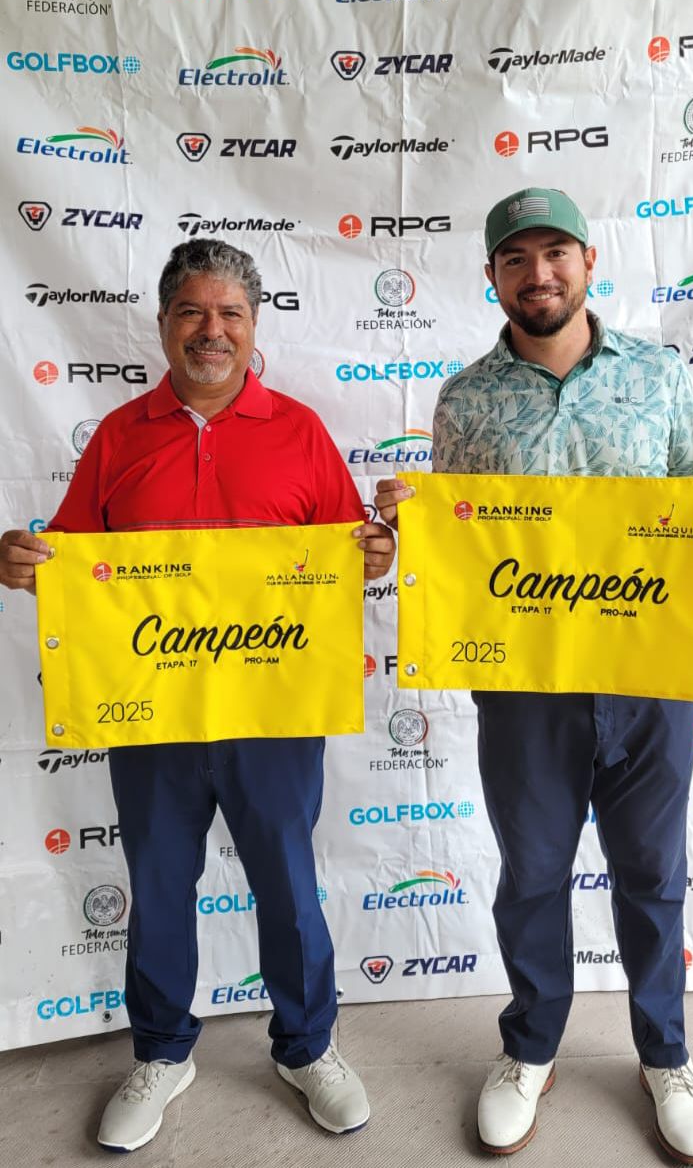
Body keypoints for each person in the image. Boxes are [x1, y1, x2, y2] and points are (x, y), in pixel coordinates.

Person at [0, 239, 395, 1152]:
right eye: (192, 312)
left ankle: (308, 1045)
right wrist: (24, 563)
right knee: (159, 883)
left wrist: (377, 553)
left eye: (229, 314)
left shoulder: (301, 431)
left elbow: (348, 558)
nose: (211, 330)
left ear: (253, 328)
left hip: (274, 715)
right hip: (152, 714)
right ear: (164, 324)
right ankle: (162, 1051)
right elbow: (71, 566)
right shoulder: (118, 435)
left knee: (288, 886)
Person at [374, 187, 693, 1166]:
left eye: (556, 252)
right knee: (531, 876)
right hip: (525, 690)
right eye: (516, 258)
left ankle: (666, 1053)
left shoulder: (657, 375)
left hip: (648, 679)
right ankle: (531, 1046)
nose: (540, 273)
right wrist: (409, 530)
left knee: (653, 876)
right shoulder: (465, 400)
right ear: (492, 275)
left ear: (588, 262)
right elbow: (459, 557)